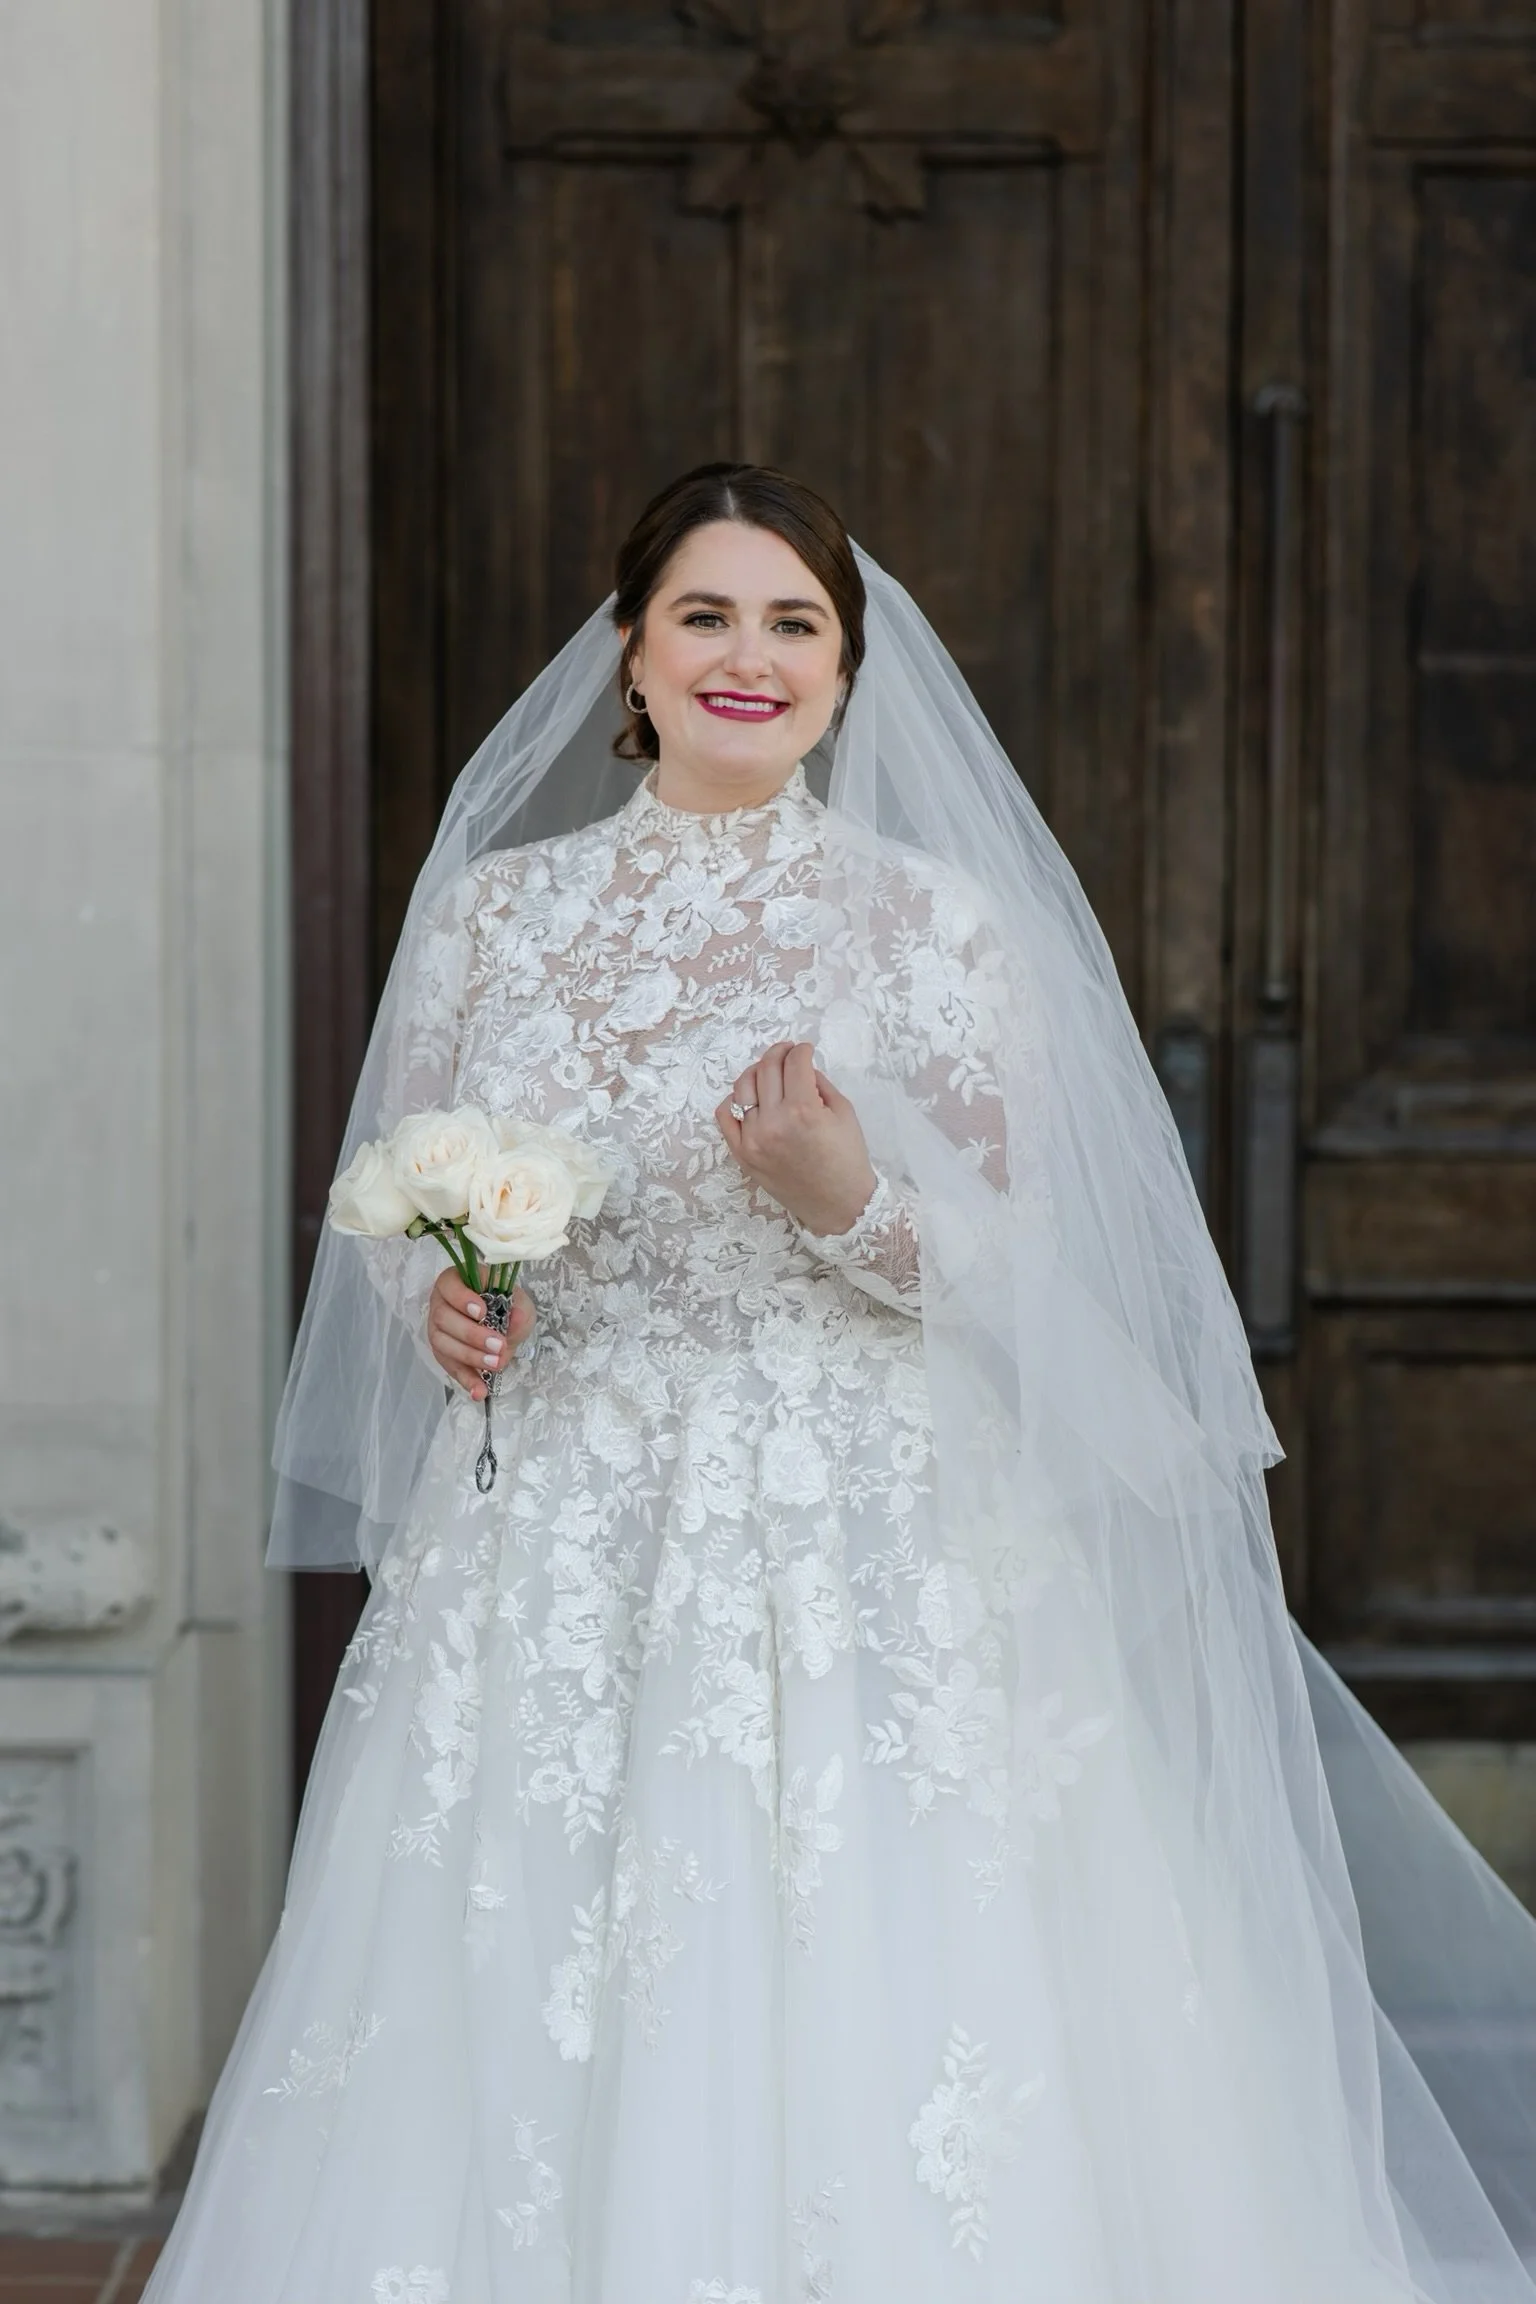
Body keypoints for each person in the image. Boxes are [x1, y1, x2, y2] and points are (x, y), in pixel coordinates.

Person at [145, 466, 1536, 2302]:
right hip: (568, 1542)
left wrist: (850, 1200)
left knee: (881, 1973)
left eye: (794, 622)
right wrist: (447, 1306)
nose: (750, 655)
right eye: (706, 616)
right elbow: (414, 1200)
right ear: (629, 660)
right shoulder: (496, 921)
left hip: (868, 1539)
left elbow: (1024, 1285)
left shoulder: (935, 927)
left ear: (847, 670)